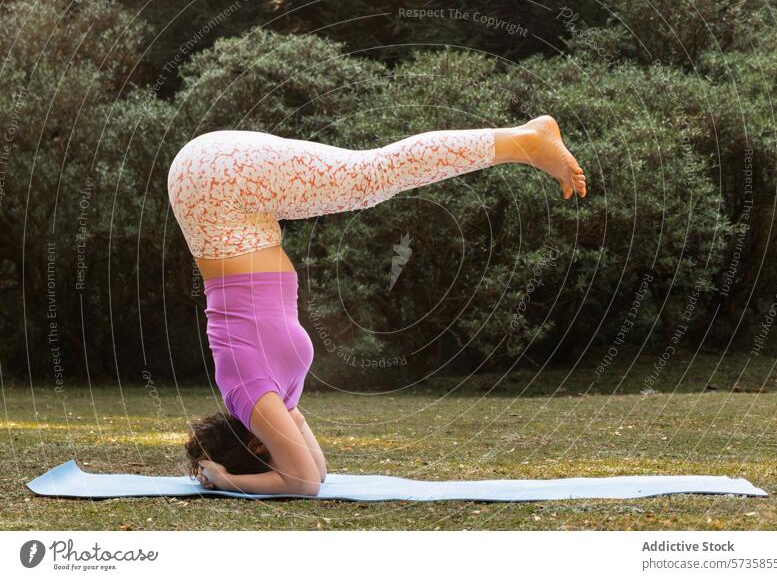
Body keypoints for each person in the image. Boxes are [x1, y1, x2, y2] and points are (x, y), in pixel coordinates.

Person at [171, 115, 586, 496]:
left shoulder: (249, 393)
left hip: (215, 186)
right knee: (367, 178)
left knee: (369, 177)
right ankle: (522, 140)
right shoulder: (277, 401)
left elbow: (298, 482)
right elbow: (314, 473)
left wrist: (227, 480)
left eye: (270, 458)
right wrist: (244, 470)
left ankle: (525, 140)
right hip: (227, 201)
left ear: (257, 446)